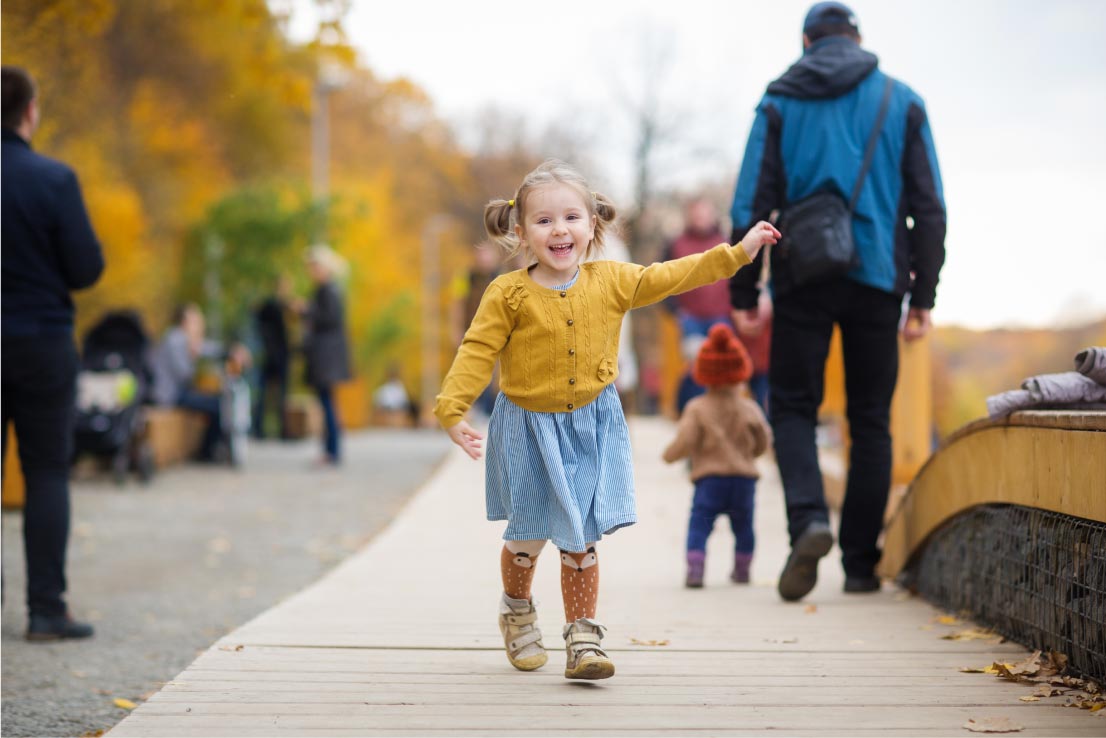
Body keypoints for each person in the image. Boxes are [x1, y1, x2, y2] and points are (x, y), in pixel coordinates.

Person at [434, 159, 779, 680]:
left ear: (592, 225)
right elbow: (477, 350)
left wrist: (739, 253)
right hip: (528, 429)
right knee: (528, 536)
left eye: (571, 217)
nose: (559, 230)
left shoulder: (613, 281)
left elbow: (675, 275)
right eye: (544, 220)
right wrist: (451, 408)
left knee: (580, 535)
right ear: (522, 231)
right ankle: (518, 610)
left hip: (590, 430)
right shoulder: (507, 294)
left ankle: (583, 638)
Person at [728, 2, 947, 601]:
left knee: (794, 406)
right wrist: (922, 294)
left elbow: (752, 197)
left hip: (803, 271)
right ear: (856, 38)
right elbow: (928, 205)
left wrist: (744, 288)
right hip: (879, 274)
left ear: (806, 41)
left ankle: (809, 521)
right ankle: (858, 564)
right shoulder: (901, 100)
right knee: (870, 419)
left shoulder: (779, 98)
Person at [2, 66, 104, 640]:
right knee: (45, 472)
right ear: (31, 111)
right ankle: (45, 610)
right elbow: (86, 269)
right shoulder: (53, 180)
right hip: (40, 341)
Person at [663, 324, 772, 588]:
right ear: (741, 372)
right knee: (744, 527)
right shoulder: (749, 407)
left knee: (699, 525)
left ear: (703, 373)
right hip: (744, 480)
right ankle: (742, 569)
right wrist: (751, 455)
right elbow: (764, 439)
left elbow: (685, 440)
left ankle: (696, 570)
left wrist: (669, 456)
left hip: (709, 480)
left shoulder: (697, 407)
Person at [149, 303, 247, 462]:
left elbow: (208, 348)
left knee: (216, 401)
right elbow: (185, 374)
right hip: (169, 395)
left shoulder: (181, 338)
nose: (200, 324)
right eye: (196, 320)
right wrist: (192, 356)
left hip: (177, 392)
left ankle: (212, 449)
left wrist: (230, 351)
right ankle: (207, 452)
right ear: (185, 321)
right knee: (218, 405)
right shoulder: (175, 338)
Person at [301, 245, 351, 466]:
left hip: (325, 357)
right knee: (328, 402)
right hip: (328, 357)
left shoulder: (328, 291)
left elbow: (330, 320)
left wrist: (306, 311)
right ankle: (331, 449)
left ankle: (331, 451)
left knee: (327, 403)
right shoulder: (330, 290)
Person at [253, 276, 292, 440]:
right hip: (275, 356)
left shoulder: (275, 306)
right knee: (274, 394)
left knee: (271, 394)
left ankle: (265, 428)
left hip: (274, 354)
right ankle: (267, 429)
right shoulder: (274, 307)